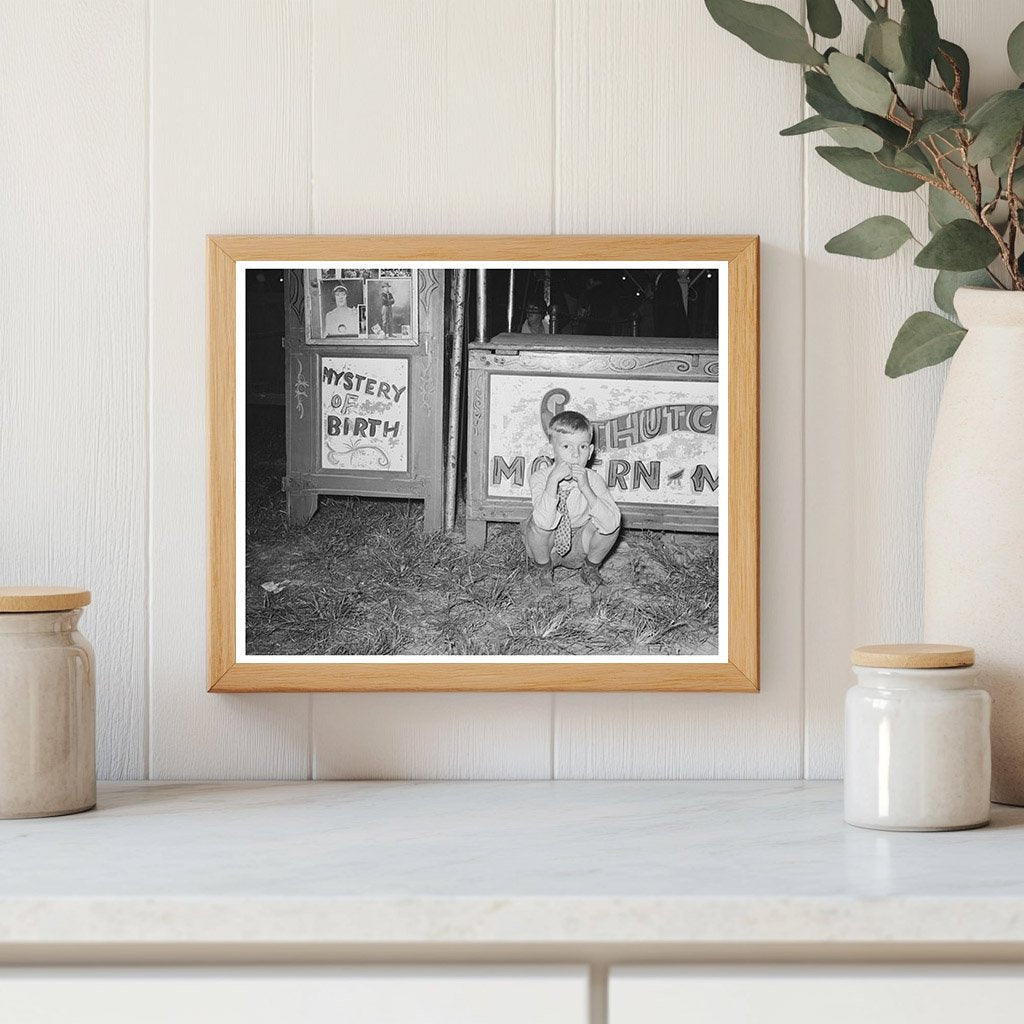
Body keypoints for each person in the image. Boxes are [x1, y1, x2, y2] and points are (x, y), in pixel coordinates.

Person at [521, 410, 621, 591]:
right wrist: (552, 481)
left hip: (580, 543)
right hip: (547, 547)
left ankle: (590, 568)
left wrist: (586, 489)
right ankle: (544, 571)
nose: (575, 455)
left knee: (611, 520)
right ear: (551, 449)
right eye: (566, 446)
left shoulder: (593, 479)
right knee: (537, 524)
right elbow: (543, 521)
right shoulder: (540, 478)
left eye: (582, 447)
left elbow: (611, 523)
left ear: (590, 452)